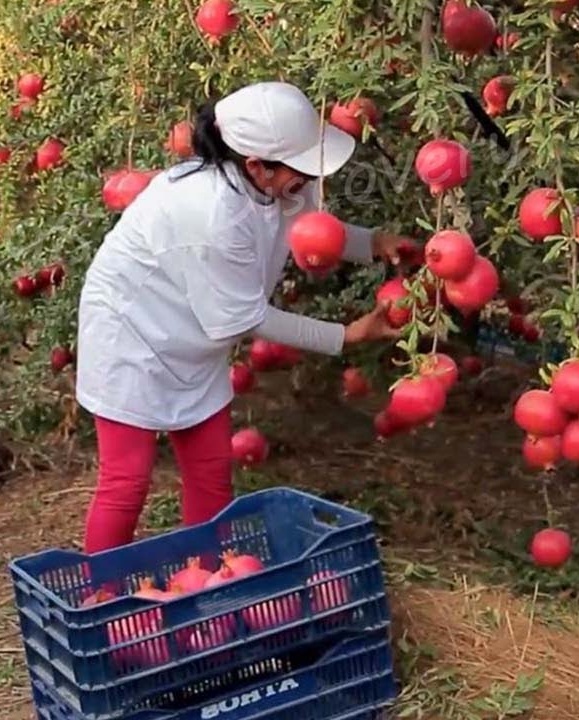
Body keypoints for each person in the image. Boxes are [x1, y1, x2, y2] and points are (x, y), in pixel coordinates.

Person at [75, 81, 415, 553]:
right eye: (302, 167)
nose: (310, 178)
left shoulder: (272, 184)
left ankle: (209, 587)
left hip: (197, 336)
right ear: (257, 165)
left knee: (211, 474)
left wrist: (372, 243)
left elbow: (304, 227)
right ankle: (101, 603)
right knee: (127, 482)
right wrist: (347, 335)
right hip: (131, 337)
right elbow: (245, 320)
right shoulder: (212, 213)